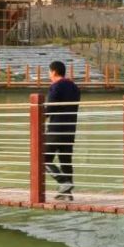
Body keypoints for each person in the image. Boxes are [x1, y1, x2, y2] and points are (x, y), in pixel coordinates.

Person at [44, 60, 81, 201]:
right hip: (70, 129)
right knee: (65, 159)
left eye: (49, 72)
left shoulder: (56, 86)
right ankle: (67, 194)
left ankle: (63, 182)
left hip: (56, 128)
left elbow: (50, 107)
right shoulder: (74, 87)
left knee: (43, 158)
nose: (49, 75)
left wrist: (40, 116)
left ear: (53, 71)